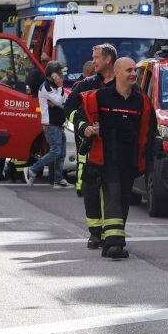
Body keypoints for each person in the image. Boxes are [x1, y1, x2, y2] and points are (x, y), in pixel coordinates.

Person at [74, 57, 161, 260]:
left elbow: (150, 127)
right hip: (106, 157)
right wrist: (83, 128)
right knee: (112, 194)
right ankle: (115, 244)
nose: (133, 74)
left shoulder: (141, 101)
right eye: (129, 70)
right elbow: (79, 116)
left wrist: (156, 144)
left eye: (135, 71)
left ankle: (109, 239)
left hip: (129, 158)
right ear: (118, 73)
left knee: (123, 198)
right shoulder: (100, 97)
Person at [65, 45, 118, 249]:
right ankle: (95, 233)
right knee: (91, 192)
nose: (93, 61)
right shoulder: (86, 84)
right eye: (93, 57)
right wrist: (82, 126)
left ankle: (111, 234)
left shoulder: (122, 84)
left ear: (108, 59)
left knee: (113, 192)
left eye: (96, 57)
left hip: (113, 149)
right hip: (89, 148)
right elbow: (68, 107)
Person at [25, 61, 70, 189]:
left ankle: (58, 178)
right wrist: (60, 91)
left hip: (59, 122)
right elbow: (58, 100)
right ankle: (32, 169)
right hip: (50, 124)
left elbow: (63, 102)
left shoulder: (55, 86)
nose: (61, 77)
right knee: (55, 151)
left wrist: (59, 100)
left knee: (62, 153)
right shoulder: (46, 87)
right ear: (51, 75)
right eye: (59, 74)